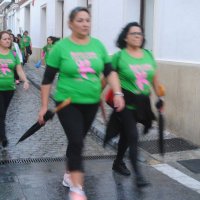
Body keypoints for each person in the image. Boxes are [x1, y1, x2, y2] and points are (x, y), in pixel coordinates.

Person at [38, 7, 124, 200]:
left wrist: (117, 92)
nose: (85, 24)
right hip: (67, 102)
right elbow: (47, 79)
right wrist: (44, 106)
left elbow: (110, 72)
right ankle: (77, 188)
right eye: (80, 20)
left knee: (77, 140)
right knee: (77, 140)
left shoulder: (98, 46)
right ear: (70, 23)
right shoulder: (61, 48)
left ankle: (69, 174)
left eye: (87, 20)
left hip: (91, 102)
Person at [106, 22, 164, 187]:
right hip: (125, 103)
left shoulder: (148, 55)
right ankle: (139, 175)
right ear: (125, 37)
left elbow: (154, 80)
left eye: (140, 33)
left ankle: (118, 162)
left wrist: (161, 98)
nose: (138, 36)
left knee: (126, 135)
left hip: (143, 104)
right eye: (134, 33)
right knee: (133, 136)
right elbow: (108, 77)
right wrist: (96, 96)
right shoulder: (119, 56)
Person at [0, 31, 29, 148]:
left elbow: (19, 70)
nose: (7, 40)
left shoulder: (14, 54)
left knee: (3, 113)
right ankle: (3, 136)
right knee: (1, 113)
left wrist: (25, 80)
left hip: (9, 89)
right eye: (4, 39)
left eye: (9, 39)